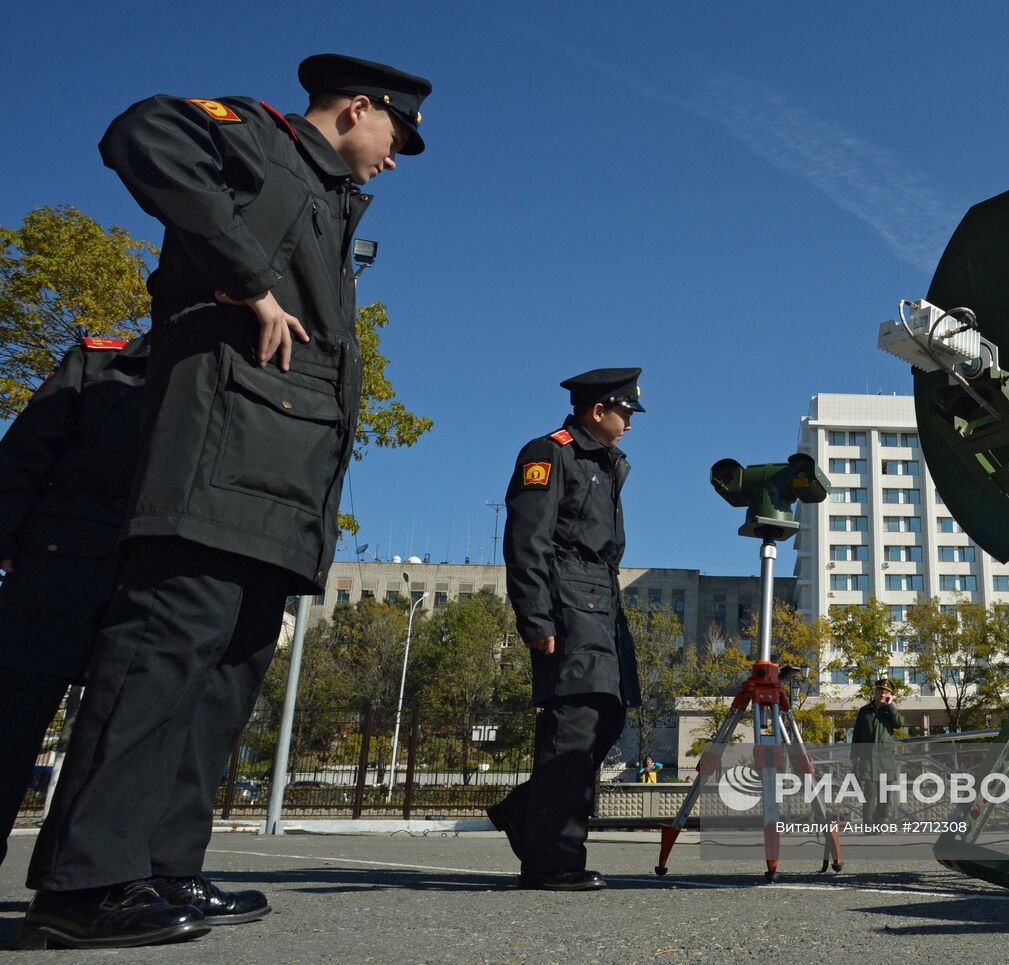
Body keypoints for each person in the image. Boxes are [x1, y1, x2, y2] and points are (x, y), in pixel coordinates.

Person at [19, 53, 432, 951]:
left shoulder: (327, 199)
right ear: (358, 109)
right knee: (162, 656)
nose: (394, 158)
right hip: (215, 459)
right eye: (396, 136)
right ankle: (84, 883)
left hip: (280, 480)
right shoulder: (264, 141)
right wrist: (246, 277)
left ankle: (163, 867)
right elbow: (142, 133)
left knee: (224, 676)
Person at [488, 368, 645, 892]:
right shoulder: (549, 452)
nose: (629, 423)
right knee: (573, 722)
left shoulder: (605, 462)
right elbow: (526, 537)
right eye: (624, 412)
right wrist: (535, 615)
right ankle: (553, 860)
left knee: (609, 714)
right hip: (568, 599)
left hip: (602, 597)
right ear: (598, 410)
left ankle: (523, 811)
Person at [0, 335, 149, 869]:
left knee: (120, 733)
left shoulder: (216, 379)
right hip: (58, 564)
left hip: (148, 575)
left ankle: (80, 880)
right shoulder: (99, 362)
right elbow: (23, 452)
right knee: (12, 720)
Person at [850, 678, 904, 823]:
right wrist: (854, 755)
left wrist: (891, 705)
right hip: (867, 758)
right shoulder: (865, 711)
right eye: (880, 690)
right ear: (875, 692)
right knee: (869, 793)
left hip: (885, 759)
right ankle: (868, 825)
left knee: (884, 795)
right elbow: (857, 734)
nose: (883, 693)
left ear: (890, 694)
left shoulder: (890, 711)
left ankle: (880, 822)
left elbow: (899, 723)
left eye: (886, 692)